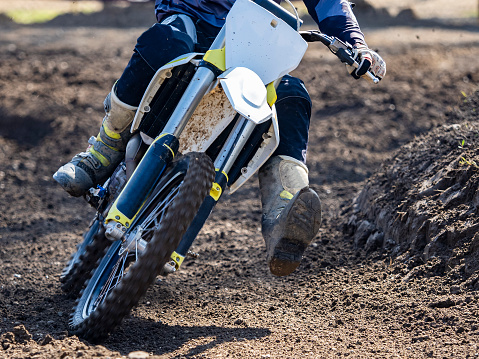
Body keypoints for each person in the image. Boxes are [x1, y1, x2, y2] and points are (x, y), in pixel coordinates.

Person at [54, 0, 386, 277]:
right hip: (194, 20)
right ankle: (105, 147)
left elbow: (328, 1)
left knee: (291, 97)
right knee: (164, 41)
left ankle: (283, 211)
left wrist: (355, 43)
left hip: (258, 42)